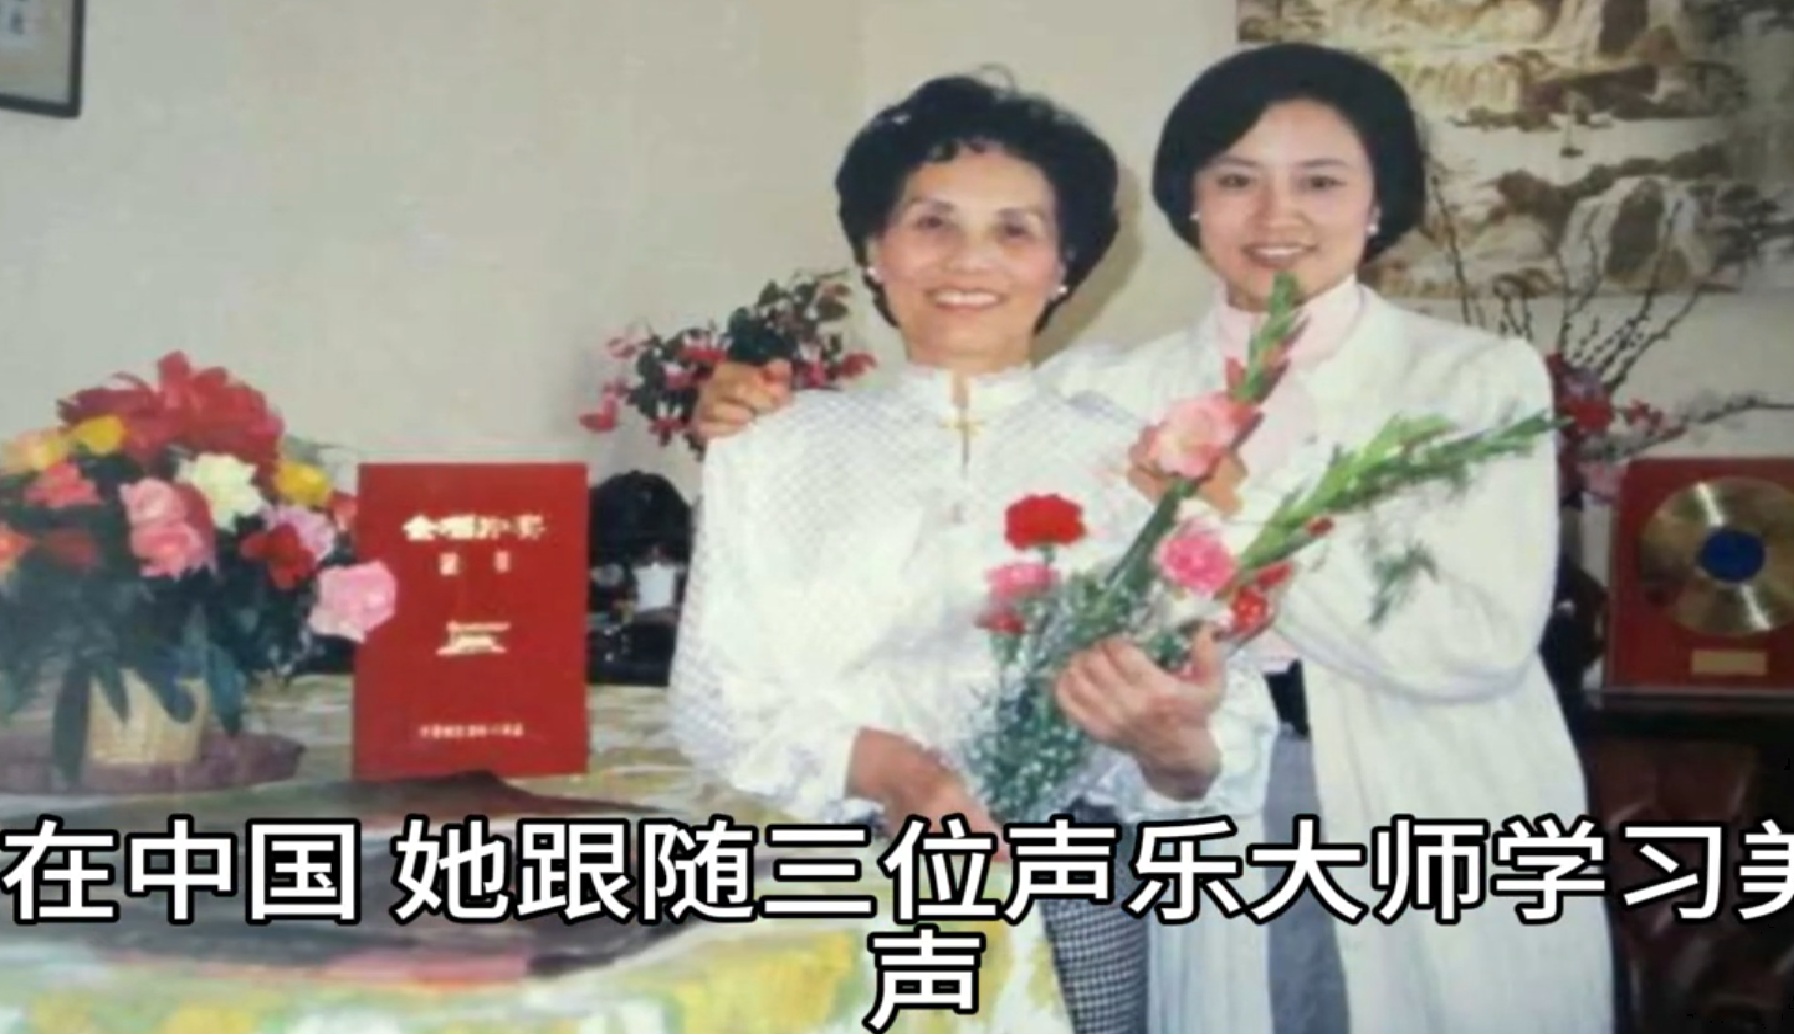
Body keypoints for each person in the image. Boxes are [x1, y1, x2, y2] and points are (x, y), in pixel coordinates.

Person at [688, 42, 1615, 1035]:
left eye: (1320, 181)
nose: (1276, 215)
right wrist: (745, 413)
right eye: (1235, 181)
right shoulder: (1112, 393)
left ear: (1378, 199)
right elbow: (952, 427)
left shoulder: (1470, 379)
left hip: (1421, 781)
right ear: (1190, 204)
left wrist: (1233, 513)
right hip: (1188, 795)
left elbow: (1477, 642)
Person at [665, 73, 1279, 1035]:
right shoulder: (773, 446)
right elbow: (715, 700)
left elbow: (1217, 744)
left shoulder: (1139, 461)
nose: (969, 259)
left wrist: (1176, 748)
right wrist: (893, 770)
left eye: (1015, 231)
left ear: (1064, 266)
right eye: (932, 222)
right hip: (833, 892)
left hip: (1069, 896)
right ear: (875, 249)